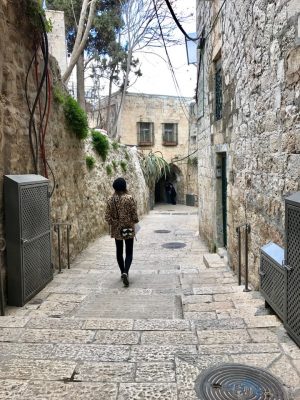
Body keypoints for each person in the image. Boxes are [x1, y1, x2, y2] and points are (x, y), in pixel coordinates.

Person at [105, 178, 139, 287]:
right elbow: (134, 215)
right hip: (128, 228)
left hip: (116, 230)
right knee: (129, 252)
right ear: (124, 186)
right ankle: (126, 271)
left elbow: (107, 217)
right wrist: (133, 221)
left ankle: (122, 272)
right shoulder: (129, 198)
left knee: (119, 251)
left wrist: (115, 222)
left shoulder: (110, 200)